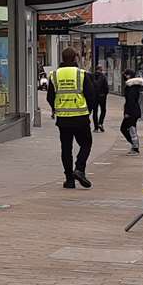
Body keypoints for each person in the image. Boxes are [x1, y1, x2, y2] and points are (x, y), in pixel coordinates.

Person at [46, 48, 93, 189]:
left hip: (63, 119)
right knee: (86, 143)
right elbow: (91, 96)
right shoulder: (82, 74)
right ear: (75, 58)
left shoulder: (54, 75)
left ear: (62, 57)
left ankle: (69, 180)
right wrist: (88, 111)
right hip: (80, 117)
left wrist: (56, 109)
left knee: (66, 149)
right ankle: (79, 169)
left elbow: (50, 97)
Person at [121, 68, 143, 152]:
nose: (124, 76)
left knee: (127, 128)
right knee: (131, 127)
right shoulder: (134, 86)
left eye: (125, 74)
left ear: (128, 76)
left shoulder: (131, 87)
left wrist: (127, 112)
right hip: (134, 111)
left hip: (132, 112)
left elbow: (130, 101)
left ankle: (135, 146)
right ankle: (134, 145)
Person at [87, 64, 110, 133]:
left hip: (94, 96)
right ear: (101, 69)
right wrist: (105, 93)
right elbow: (106, 87)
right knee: (103, 110)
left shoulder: (92, 76)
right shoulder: (103, 77)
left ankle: (96, 127)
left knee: (95, 111)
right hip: (102, 96)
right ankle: (100, 123)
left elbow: (89, 86)